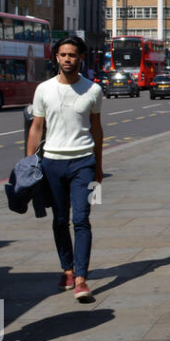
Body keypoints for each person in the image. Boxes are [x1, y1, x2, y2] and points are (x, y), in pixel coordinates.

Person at [27, 35, 104, 303]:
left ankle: (81, 279)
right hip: (52, 162)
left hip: (83, 161)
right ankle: (67, 270)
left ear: (80, 58)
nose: (67, 59)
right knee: (60, 219)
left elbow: (96, 129)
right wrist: (28, 165)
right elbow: (37, 127)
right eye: (63, 55)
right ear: (56, 58)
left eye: (72, 55)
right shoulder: (44, 89)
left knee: (81, 219)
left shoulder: (92, 90)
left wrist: (99, 167)